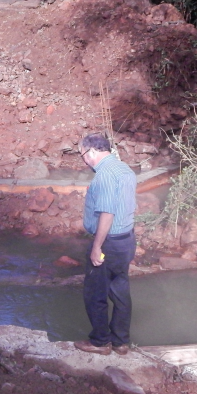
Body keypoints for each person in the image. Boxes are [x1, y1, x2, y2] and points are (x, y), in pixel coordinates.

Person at [74, 133, 137, 356]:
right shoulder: (125, 170)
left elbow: (107, 214)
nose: (83, 160)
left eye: (82, 154)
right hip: (126, 241)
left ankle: (100, 342)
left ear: (91, 151)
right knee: (120, 291)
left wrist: (96, 247)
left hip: (108, 245)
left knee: (95, 293)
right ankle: (121, 342)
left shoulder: (105, 176)